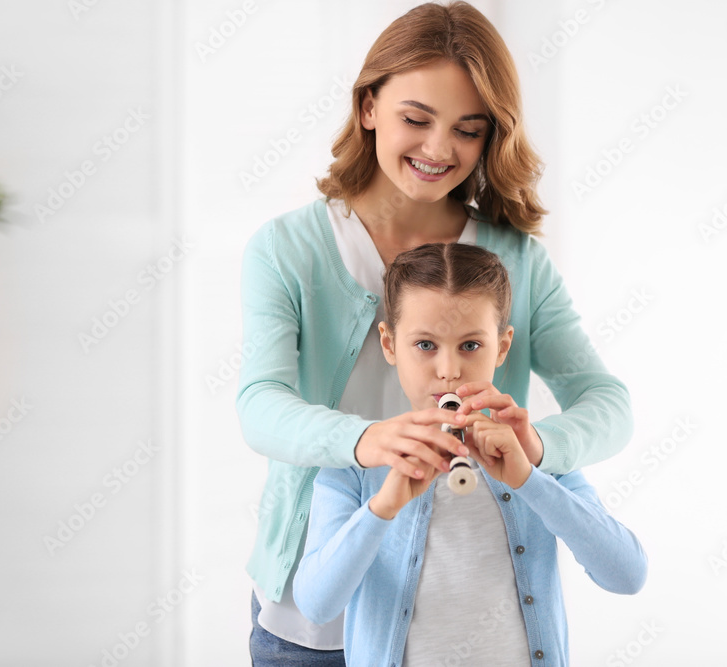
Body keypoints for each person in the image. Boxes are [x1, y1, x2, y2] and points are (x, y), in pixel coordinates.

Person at [237, 2, 635, 663]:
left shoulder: (518, 261)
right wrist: (368, 440)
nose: (438, 149)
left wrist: (538, 446)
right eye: (415, 119)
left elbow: (607, 400)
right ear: (368, 105)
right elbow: (259, 406)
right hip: (309, 618)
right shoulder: (287, 249)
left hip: (455, 614)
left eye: (468, 129)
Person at [293, 243, 648, 666]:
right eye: (425, 345)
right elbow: (316, 604)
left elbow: (627, 575)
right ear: (389, 344)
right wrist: (382, 508)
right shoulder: (355, 468)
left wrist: (529, 480)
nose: (448, 370)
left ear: (502, 346)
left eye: (471, 346)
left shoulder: (534, 455)